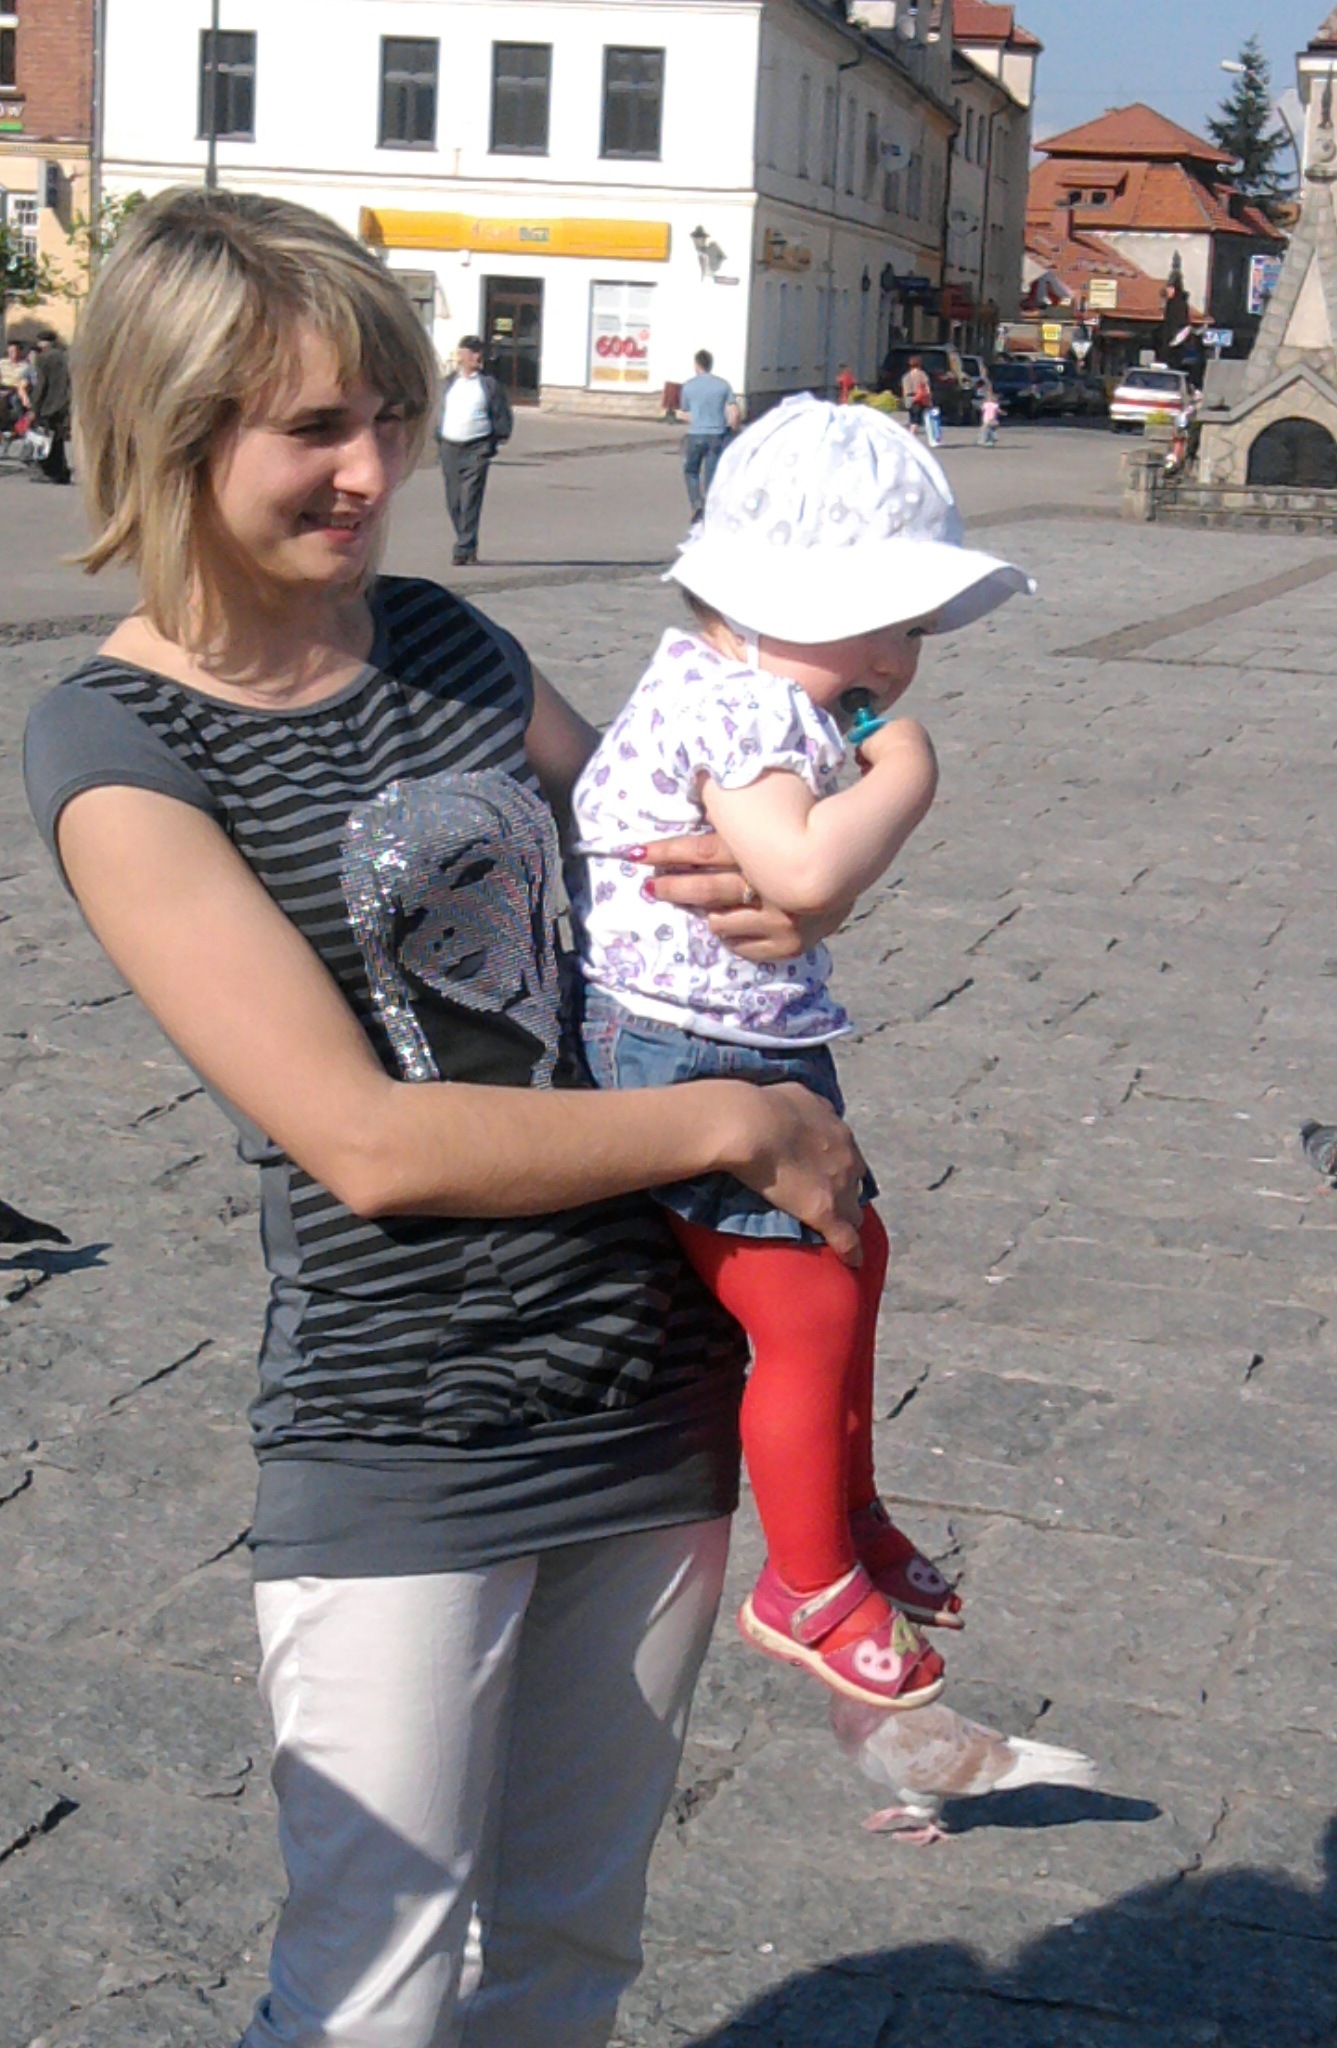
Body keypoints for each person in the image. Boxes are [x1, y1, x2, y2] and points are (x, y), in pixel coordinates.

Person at [22, 187, 866, 2048]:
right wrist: (732, 1122)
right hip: (404, 1420)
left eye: (390, 417)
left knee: (568, 1951)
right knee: (372, 1989)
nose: (371, 471)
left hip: (647, 1382)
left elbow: (670, 860)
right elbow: (368, 1141)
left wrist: (783, 863)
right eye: (313, 428)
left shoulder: (445, 640)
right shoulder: (117, 745)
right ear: (168, 431)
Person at [572, 394, 1034, 1710]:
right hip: (684, 1055)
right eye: (876, 622)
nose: (897, 658)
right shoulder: (745, 709)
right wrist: (910, 773)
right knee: (807, 1308)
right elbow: (804, 874)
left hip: (734, 1038)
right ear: (762, 602)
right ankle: (808, 1581)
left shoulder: (740, 687)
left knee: (854, 1253)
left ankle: (845, 1506)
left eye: (915, 631)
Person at [435, 332, 512, 567]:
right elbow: (436, 413)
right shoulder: (448, 384)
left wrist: (492, 444)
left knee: (470, 498)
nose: (478, 357)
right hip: (450, 447)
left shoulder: (488, 384)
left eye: (480, 352)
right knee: (454, 500)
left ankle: (464, 547)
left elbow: (502, 415)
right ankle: (465, 542)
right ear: (461, 355)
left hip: (477, 447)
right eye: (473, 352)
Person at [678, 348, 738, 524]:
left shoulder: (688, 386)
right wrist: (733, 429)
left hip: (695, 434)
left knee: (691, 470)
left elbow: (686, 412)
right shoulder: (723, 385)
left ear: (697, 365)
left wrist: (682, 416)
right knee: (711, 474)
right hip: (717, 434)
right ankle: (710, 507)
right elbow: (734, 413)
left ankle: (696, 504)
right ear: (711, 365)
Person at [29, 328, 72, 483]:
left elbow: (41, 385)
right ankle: (62, 471)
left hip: (48, 405)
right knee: (58, 440)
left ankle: (50, 471)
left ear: (42, 343)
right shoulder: (65, 357)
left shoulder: (43, 358)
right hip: (64, 403)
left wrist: (34, 407)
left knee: (45, 439)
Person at [0, 335, 34, 433]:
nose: (12, 354)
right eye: (10, 351)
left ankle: (16, 428)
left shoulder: (25, 366)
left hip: (15, 390)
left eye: (14, 351)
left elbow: (23, 383)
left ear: (19, 352)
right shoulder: (2, 363)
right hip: (2, 387)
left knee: (13, 401)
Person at [900, 354, 932, 436]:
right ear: (919, 364)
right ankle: (911, 433)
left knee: (912, 416)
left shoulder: (906, 376)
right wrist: (929, 398)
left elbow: (904, 390)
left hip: (908, 397)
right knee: (916, 418)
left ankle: (911, 431)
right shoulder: (922, 374)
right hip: (919, 397)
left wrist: (904, 400)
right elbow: (926, 387)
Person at [976, 381, 1001, 448]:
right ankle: (987, 440)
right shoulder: (990, 403)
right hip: (989, 419)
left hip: (989, 419)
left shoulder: (991, 403)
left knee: (987, 429)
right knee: (988, 429)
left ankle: (986, 440)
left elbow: (982, 408)